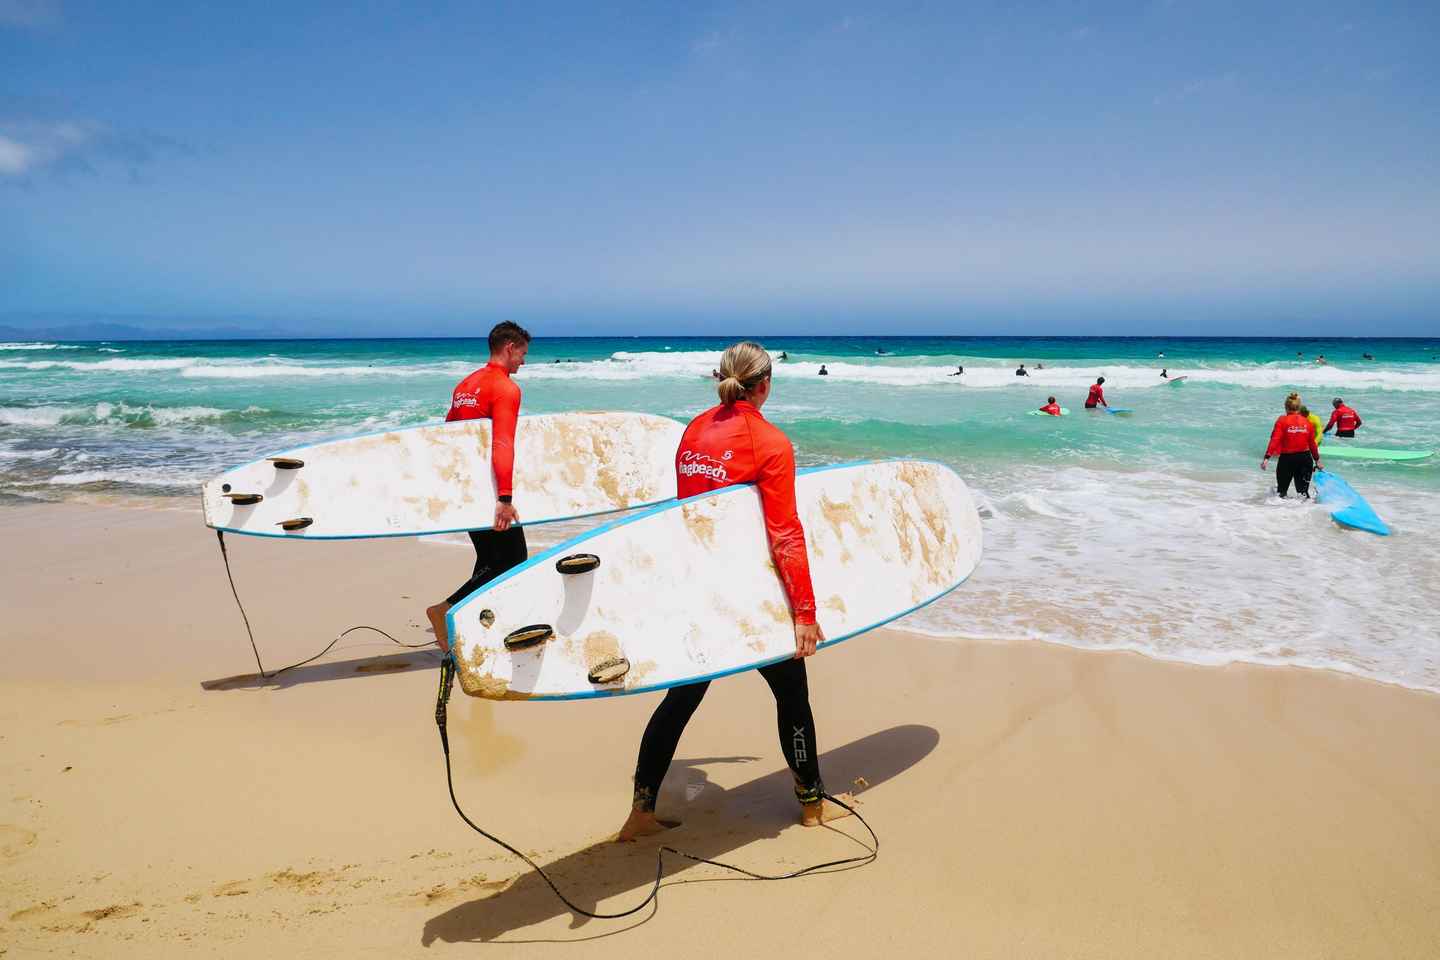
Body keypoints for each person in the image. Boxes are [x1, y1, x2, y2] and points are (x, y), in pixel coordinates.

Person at [617, 342, 843, 841]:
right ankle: (811, 806)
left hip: (698, 589)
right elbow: (785, 533)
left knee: (680, 698)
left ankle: (640, 814)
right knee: (791, 695)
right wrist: (804, 613)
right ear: (765, 384)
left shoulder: (693, 432)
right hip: (749, 593)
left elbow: (688, 519)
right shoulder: (770, 442)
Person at [425, 322, 532, 652]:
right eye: (523, 355)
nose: (523, 363)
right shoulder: (505, 388)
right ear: (510, 347)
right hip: (487, 490)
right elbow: (503, 443)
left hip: (464, 486)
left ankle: (475, 626)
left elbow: (448, 436)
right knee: (514, 559)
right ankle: (446, 610)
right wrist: (504, 497)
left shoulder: (465, 385)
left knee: (488, 559)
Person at [1263, 394, 1322, 498]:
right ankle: (1307, 512)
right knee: (1303, 494)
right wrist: (1317, 460)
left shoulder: (1282, 420)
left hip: (1287, 460)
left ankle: (1282, 513)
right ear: (1299, 408)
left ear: (1286, 407)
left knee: (1281, 493)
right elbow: (1312, 444)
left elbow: (1275, 439)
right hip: (1305, 459)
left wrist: (1267, 457)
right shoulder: (1307, 422)